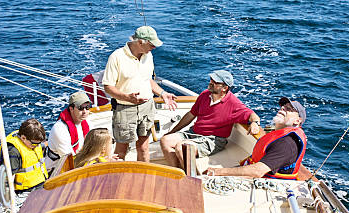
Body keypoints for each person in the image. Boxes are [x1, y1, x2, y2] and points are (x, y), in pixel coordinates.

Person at [102, 26, 177, 162]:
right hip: (125, 109)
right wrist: (127, 98)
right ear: (140, 42)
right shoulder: (116, 57)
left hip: (146, 107)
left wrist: (162, 93)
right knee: (121, 151)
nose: (154, 47)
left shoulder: (148, 56)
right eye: (152, 44)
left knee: (144, 147)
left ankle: (145, 177)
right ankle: (119, 179)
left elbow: (148, 79)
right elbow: (108, 87)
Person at [160, 70, 260, 168]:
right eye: (211, 80)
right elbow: (191, 115)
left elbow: (252, 115)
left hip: (213, 140)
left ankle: (192, 179)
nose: (211, 83)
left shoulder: (234, 104)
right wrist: (173, 131)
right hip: (194, 133)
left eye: (215, 82)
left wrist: (255, 123)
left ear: (225, 88)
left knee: (183, 148)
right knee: (165, 140)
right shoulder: (204, 95)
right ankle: (178, 173)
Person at [205, 96, 307, 179]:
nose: (283, 108)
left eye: (289, 109)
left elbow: (257, 171)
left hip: (263, 184)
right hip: (253, 174)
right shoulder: (279, 135)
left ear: (297, 121)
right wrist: (254, 122)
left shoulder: (287, 144)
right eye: (283, 106)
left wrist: (217, 171)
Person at [45, 91, 94, 171]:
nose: (85, 111)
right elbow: (70, 161)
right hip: (57, 171)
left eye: (87, 107)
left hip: (79, 162)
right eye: (81, 108)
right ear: (71, 109)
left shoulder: (87, 122)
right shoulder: (60, 129)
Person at [0, 118, 48, 192]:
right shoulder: (13, 152)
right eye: (34, 144)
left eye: (39, 143)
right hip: (24, 193)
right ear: (23, 138)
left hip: (41, 185)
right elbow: (7, 179)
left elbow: (40, 146)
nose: (37, 146)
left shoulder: (31, 142)